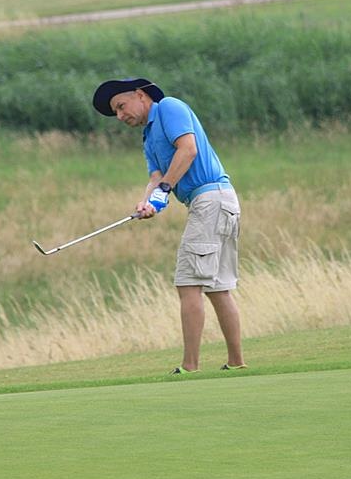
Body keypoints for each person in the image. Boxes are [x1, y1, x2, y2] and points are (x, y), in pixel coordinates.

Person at [93, 77, 246, 375]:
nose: (120, 116)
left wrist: (164, 189)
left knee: (188, 283)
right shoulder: (148, 137)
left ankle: (189, 367)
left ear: (140, 95)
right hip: (219, 201)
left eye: (121, 106)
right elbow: (157, 177)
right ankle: (237, 363)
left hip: (210, 198)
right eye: (116, 113)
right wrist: (147, 202)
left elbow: (187, 150)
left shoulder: (168, 108)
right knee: (218, 288)